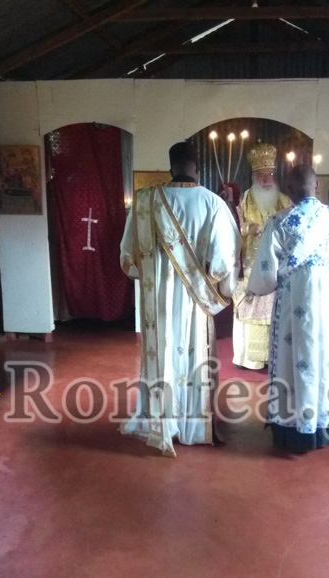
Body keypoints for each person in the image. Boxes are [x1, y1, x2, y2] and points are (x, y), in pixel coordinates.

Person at [119, 142, 241, 457]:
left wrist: (152, 272)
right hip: (195, 303)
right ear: (197, 167)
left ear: (171, 166)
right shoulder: (213, 203)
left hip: (157, 301)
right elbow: (224, 263)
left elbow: (128, 258)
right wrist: (220, 286)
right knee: (192, 359)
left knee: (163, 356)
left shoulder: (145, 201)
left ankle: (159, 422)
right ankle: (192, 428)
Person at [248, 164, 329, 453]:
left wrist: (257, 288)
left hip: (292, 302)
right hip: (328, 304)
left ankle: (291, 428)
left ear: (288, 190)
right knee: (326, 359)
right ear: (317, 186)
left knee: (292, 359)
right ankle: (324, 427)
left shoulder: (278, 221)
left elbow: (265, 274)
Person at [232, 143, 292, 370]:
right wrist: (248, 228)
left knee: (275, 311)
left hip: (276, 267)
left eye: (270, 175)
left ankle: (272, 357)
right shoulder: (243, 200)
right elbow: (233, 227)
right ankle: (249, 359)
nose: (266, 180)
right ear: (254, 177)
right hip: (250, 266)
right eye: (261, 176)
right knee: (249, 311)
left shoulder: (284, 200)